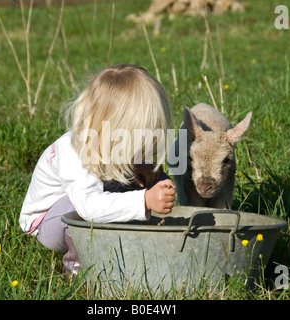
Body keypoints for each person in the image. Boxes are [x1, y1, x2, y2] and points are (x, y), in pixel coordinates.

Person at [19, 64, 176, 276]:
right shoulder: (74, 152)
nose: (145, 149)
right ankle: (81, 271)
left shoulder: (107, 143)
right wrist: (144, 200)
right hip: (49, 222)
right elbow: (88, 207)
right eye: (139, 142)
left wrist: (143, 172)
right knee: (78, 209)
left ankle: (158, 238)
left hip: (92, 196)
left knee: (147, 179)